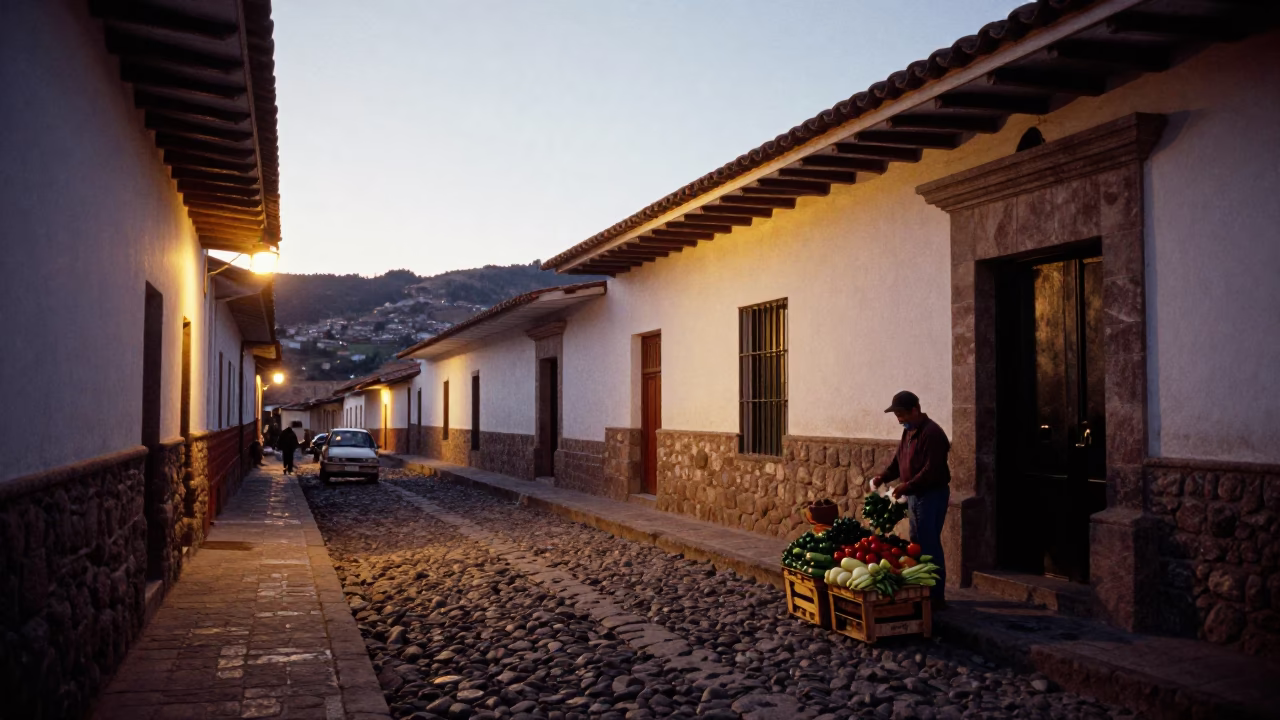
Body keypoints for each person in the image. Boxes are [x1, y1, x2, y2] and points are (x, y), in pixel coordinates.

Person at [870, 390, 951, 607]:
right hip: (916, 495)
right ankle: (924, 593)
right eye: (896, 415)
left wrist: (907, 486)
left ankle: (935, 597)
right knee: (918, 543)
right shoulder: (909, 432)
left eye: (901, 415)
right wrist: (884, 477)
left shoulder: (932, 433)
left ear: (915, 410)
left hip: (930, 494)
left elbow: (931, 470)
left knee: (928, 545)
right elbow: (899, 462)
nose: (899, 420)